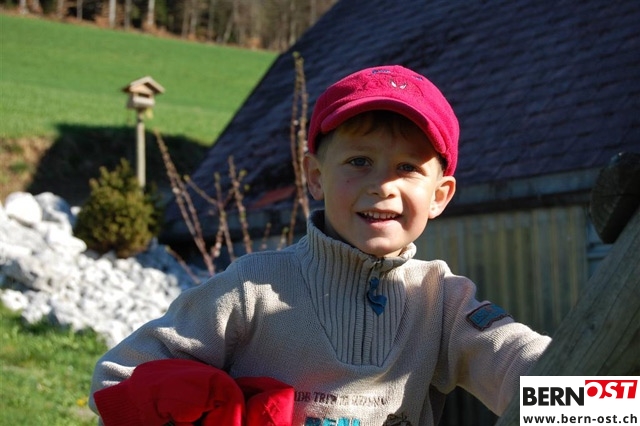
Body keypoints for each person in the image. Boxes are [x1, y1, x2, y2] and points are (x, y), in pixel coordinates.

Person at [89, 65, 551, 425]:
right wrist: (209, 411)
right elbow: (118, 378)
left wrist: (595, 400)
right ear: (315, 176)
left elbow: (523, 365)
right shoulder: (252, 288)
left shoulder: (443, 303)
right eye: (359, 161)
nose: (383, 185)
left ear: (440, 196)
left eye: (408, 167)